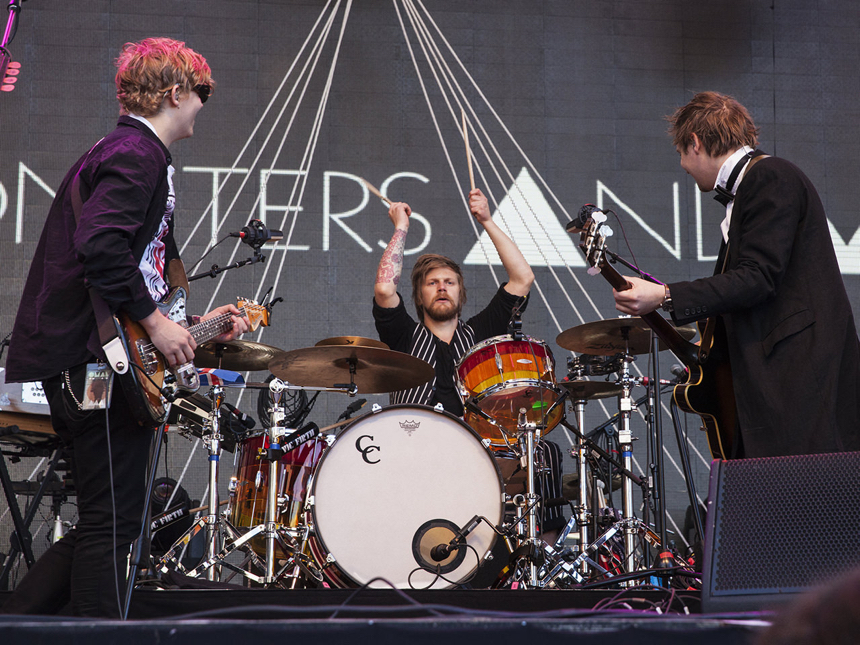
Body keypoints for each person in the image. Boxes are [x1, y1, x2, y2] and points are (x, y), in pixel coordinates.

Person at [0, 37, 248, 617]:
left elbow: (131, 270)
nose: (203, 105)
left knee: (109, 520)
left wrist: (198, 326)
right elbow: (102, 247)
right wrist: (158, 322)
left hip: (95, 363)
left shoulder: (130, 152)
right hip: (95, 369)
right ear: (173, 92)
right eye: (201, 91)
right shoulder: (137, 154)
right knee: (113, 524)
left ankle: (15, 622)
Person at [613, 91, 860, 459]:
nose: (682, 164)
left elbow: (757, 278)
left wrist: (665, 296)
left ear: (695, 142)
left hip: (797, 383)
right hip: (781, 385)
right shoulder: (756, 185)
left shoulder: (770, 176)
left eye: (681, 152)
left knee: (801, 507)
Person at [372, 189, 566, 544]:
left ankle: (545, 555)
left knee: (543, 450)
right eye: (432, 283)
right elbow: (385, 289)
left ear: (461, 293)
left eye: (450, 282)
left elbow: (522, 278)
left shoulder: (479, 332)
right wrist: (401, 227)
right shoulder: (403, 335)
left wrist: (487, 221)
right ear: (420, 296)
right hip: (413, 443)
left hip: (478, 444)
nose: (442, 288)